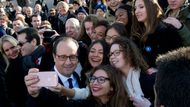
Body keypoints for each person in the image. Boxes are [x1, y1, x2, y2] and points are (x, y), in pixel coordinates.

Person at [25, 64, 129, 107]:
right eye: (93, 79)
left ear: (112, 86)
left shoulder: (127, 104)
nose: (94, 83)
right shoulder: (84, 104)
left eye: (101, 79)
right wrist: (36, 94)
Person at [25, 37, 87, 107]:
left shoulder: (79, 77)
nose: (68, 62)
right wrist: (34, 96)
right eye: (63, 57)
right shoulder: (42, 83)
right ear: (54, 57)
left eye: (72, 56)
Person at [131, 0, 182, 68]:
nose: (137, 11)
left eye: (141, 7)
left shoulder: (166, 30)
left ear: (151, 7)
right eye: (135, 8)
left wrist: (157, 70)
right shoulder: (137, 34)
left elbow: (176, 59)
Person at [109, 36, 154, 107]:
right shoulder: (116, 84)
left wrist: (149, 106)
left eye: (117, 53)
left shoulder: (151, 79)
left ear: (129, 54)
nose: (112, 57)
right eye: (111, 54)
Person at [0, 35, 28, 107]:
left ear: (18, 45)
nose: (11, 52)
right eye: (7, 50)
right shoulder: (7, 69)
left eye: (12, 47)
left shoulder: (29, 59)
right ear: (4, 53)